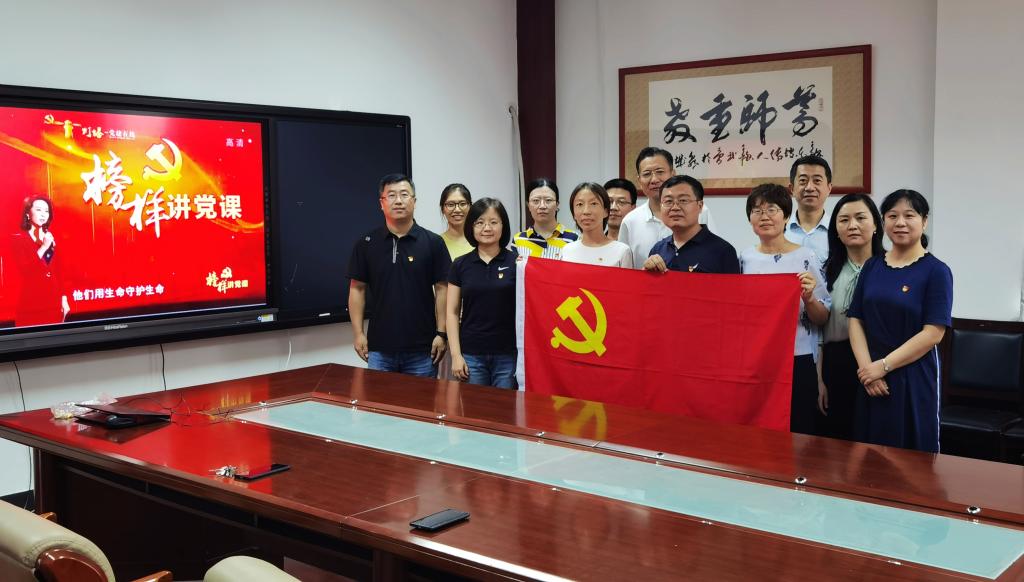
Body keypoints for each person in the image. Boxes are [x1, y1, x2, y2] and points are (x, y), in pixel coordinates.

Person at [848, 190, 952, 453]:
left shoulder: (937, 271)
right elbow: (856, 319)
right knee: (867, 452)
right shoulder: (872, 266)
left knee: (912, 456)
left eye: (909, 215)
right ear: (883, 222)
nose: (900, 223)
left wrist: (883, 366)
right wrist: (868, 371)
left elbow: (933, 333)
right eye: (892, 216)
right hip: (871, 377)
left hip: (913, 375)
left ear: (924, 221)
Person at [739, 183, 830, 436]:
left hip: (797, 358)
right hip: (757, 359)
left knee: (799, 430)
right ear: (750, 218)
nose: (764, 216)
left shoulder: (806, 257)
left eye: (772, 209)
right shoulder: (744, 258)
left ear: (787, 216)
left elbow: (823, 317)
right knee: (758, 429)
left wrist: (809, 299)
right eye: (757, 211)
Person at [348, 174, 450, 377]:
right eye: (391, 195)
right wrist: (358, 333)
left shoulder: (433, 243)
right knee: (379, 398)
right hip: (379, 348)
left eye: (404, 194)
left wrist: (441, 333)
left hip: (423, 349)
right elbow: (357, 290)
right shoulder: (366, 243)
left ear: (414, 201)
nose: (398, 201)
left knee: (422, 399)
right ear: (382, 203)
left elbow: (443, 290)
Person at [819, 193, 885, 441]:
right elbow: (817, 331)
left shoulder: (891, 268)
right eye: (844, 220)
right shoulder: (826, 271)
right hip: (837, 363)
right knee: (838, 440)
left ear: (875, 224)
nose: (852, 225)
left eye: (860, 218)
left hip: (880, 363)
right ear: (836, 229)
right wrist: (819, 379)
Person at [447, 198, 518, 388]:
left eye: (493, 222)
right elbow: (452, 312)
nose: (487, 228)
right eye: (479, 222)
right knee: (474, 406)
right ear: (471, 227)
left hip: (507, 354)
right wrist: (456, 355)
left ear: (503, 226)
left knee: (505, 405)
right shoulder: (460, 265)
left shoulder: (516, 263)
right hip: (471, 354)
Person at [618, 147, 717, 269]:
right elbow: (624, 269)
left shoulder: (699, 211)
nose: (654, 180)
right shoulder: (630, 220)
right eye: (647, 174)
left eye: (660, 172)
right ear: (639, 181)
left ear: (673, 174)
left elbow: (715, 251)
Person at [642, 175, 739, 275]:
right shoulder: (658, 249)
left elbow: (732, 285)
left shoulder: (723, 251)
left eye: (683, 200)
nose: (675, 207)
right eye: (668, 201)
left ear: (700, 206)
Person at [14, 196, 70, 326]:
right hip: (31, 306)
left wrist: (64, 299)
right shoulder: (19, 240)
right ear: (28, 213)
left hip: (54, 304)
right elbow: (26, 271)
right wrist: (44, 247)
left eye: (46, 211)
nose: (43, 214)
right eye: (38, 210)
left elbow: (59, 273)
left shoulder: (50, 237)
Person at [561, 183, 633, 268]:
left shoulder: (622, 251)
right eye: (580, 204)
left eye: (593, 203)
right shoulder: (567, 251)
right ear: (574, 214)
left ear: (606, 211)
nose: (586, 211)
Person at [786, 155, 833, 271]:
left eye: (817, 181)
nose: (810, 187)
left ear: (829, 188)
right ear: (792, 188)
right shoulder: (781, 231)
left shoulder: (838, 232)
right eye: (803, 181)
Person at [512, 178, 578, 259]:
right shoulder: (518, 240)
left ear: (557, 204)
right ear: (528, 205)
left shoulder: (574, 239)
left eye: (548, 200)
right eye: (536, 201)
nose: (542, 206)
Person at [438, 183, 474, 260]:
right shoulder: (436, 243)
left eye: (462, 204)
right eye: (451, 204)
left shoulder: (480, 241)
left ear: (470, 206)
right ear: (442, 209)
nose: (457, 210)